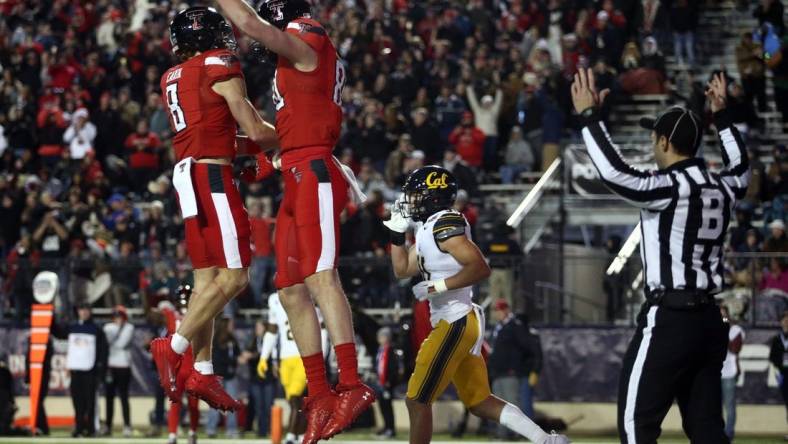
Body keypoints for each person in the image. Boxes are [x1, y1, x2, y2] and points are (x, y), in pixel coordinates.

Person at [216, 1, 375, 442]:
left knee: (322, 278)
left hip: (317, 173)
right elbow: (289, 132)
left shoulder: (310, 39)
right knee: (288, 290)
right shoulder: (303, 59)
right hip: (298, 173)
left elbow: (247, 22)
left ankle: (351, 383)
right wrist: (256, 157)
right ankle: (320, 394)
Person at [572, 68, 749, 443]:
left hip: (671, 318)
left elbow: (616, 175)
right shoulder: (722, 186)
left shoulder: (672, 188)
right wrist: (723, 118)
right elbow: (742, 170)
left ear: (666, 142)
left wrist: (590, 119)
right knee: (707, 429)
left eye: (655, 139)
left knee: (637, 426)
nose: (653, 146)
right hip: (709, 321)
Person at [150, 6, 278, 414]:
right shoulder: (220, 64)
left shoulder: (171, 75)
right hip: (212, 179)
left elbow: (215, 134)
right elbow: (256, 129)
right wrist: (295, 137)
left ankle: (201, 370)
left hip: (188, 174)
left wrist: (253, 149)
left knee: (207, 282)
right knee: (237, 275)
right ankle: (173, 347)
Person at [383, 165, 568, 444]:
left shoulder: (445, 223)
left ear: (434, 197)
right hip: (456, 320)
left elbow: (480, 267)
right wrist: (396, 236)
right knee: (480, 402)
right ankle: (547, 441)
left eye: (417, 195)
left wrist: (438, 285)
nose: (411, 201)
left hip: (454, 320)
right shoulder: (426, 228)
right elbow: (401, 269)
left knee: (417, 400)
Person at [257, 292, 330, 444]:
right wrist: (264, 357)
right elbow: (272, 330)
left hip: (304, 355)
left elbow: (322, 328)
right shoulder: (274, 299)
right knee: (294, 401)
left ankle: (290, 436)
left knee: (296, 397)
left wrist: (320, 356)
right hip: (285, 358)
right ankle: (301, 434)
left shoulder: (309, 294)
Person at [147, 285, 201, 444]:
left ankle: (191, 432)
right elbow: (151, 314)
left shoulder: (198, 315)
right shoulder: (171, 315)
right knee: (176, 402)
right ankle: (173, 434)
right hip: (178, 366)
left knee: (192, 404)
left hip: (191, 365)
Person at [53, 302, 108, 437]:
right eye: (81, 310)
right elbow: (58, 333)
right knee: (77, 402)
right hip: (75, 371)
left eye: (85, 310)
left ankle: (90, 429)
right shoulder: (72, 327)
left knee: (90, 402)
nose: (83, 312)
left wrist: (101, 370)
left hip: (90, 371)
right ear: (78, 312)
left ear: (90, 312)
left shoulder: (96, 329)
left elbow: (103, 351)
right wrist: (51, 317)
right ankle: (78, 427)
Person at [489, 299, 542, 430]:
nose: (497, 313)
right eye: (495, 311)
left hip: (510, 372)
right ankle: (502, 434)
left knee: (512, 403)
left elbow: (527, 347)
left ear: (506, 310)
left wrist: (517, 365)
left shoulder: (515, 326)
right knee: (498, 406)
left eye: (499, 310)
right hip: (497, 372)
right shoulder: (498, 327)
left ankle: (518, 433)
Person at [206, 317, 241, 438]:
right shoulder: (215, 340)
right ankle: (211, 428)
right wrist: (234, 360)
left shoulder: (232, 339)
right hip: (218, 376)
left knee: (231, 402)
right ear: (225, 325)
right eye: (230, 324)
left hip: (231, 376)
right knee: (215, 403)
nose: (233, 326)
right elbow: (217, 359)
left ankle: (231, 429)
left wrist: (239, 358)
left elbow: (238, 353)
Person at [103, 305, 135, 437]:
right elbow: (108, 342)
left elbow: (121, 343)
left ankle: (127, 426)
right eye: (116, 316)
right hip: (111, 366)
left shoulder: (129, 327)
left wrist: (111, 343)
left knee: (123, 397)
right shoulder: (108, 327)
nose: (118, 318)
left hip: (124, 366)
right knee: (109, 398)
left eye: (120, 316)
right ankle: (108, 426)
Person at [244, 321, 276, 437]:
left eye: (260, 326)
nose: (258, 329)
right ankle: (261, 431)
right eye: (256, 326)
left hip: (268, 379)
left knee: (268, 406)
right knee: (258, 407)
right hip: (255, 379)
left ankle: (270, 429)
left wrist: (253, 355)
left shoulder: (270, 341)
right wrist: (248, 356)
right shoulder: (252, 341)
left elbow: (266, 356)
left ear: (265, 328)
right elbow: (246, 355)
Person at [720, 306, 744, 441]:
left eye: (723, 315)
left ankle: (728, 434)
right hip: (714, 372)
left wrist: (723, 331)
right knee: (715, 407)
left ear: (728, 315)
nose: (721, 317)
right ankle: (717, 432)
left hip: (729, 373)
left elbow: (735, 349)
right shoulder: (711, 328)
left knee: (729, 406)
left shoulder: (735, 330)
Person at [374, 327, 400, 438]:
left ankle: (391, 429)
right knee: (382, 406)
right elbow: (379, 365)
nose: (379, 339)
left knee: (387, 406)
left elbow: (394, 367)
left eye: (382, 336)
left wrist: (389, 381)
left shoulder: (391, 350)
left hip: (387, 383)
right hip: (380, 382)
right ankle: (386, 427)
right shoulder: (380, 350)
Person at [769, 311, 788, 423]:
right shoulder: (777, 339)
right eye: (785, 320)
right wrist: (779, 365)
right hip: (784, 374)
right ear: (781, 322)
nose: (786, 322)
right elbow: (772, 356)